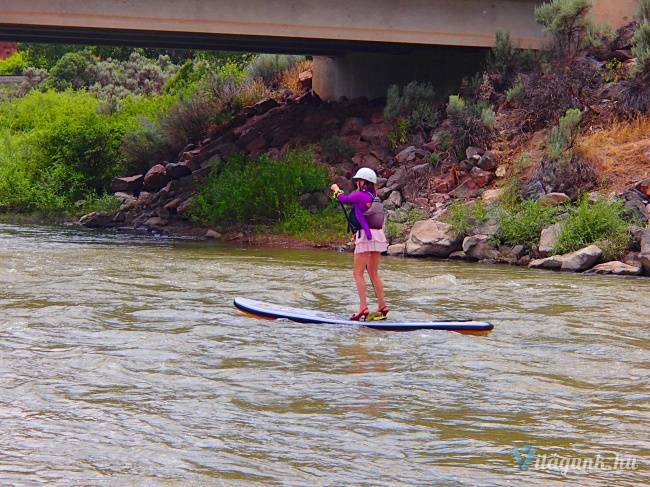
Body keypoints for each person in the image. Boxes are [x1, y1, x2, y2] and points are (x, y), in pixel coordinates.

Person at [330, 168, 389, 321]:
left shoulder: (359, 195)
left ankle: (363, 307)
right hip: (377, 235)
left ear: (364, 182)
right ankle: (383, 306)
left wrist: (336, 189)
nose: (356, 182)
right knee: (373, 273)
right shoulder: (374, 196)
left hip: (365, 236)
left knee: (357, 273)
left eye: (358, 180)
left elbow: (343, 199)